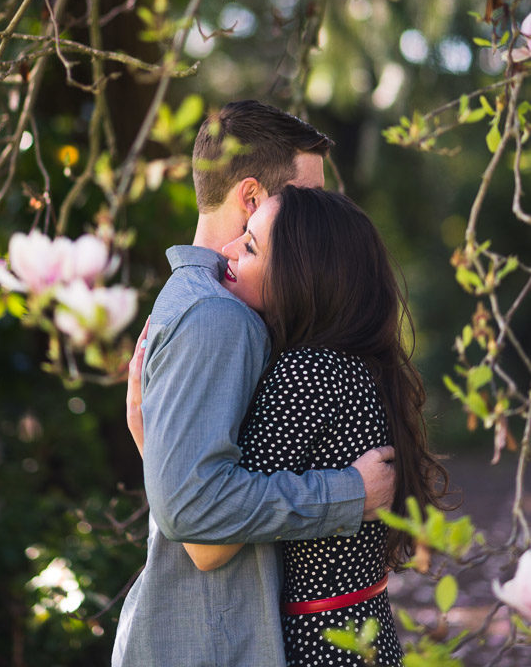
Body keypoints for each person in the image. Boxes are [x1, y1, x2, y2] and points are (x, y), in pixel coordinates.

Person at [112, 100, 396, 667]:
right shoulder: (223, 317)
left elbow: (186, 494)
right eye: (305, 197)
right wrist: (350, 493)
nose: (317, 216)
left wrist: (153, 450)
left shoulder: (209, 305)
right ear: (252, 199)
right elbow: (196, 519)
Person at [127, 187, 448, 667]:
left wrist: (145, 430)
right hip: (359, 635)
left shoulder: (306, 374)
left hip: (321, 645)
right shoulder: (354, 363)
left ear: (300, 278)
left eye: (251, 247)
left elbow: (207, 545)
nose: (229, 251)